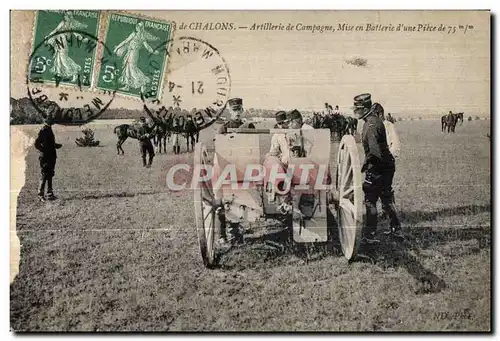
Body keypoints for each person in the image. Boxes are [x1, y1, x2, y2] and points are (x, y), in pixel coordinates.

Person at [352, 94, 403, 244]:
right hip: (387, 166)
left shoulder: (371, 125)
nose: (356, 111)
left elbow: (374, 153)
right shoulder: (375, 121)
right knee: (386, 197)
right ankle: (396, 229)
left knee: (370, 200)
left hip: (377, 168)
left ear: (365, 109)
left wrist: (368, 168)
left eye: (358, 108)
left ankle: (369, 235)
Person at [35, 114, 62, 201]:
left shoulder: (49, 129)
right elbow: (37, 144)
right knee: (44, 175)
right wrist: (44, 151)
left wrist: (55, 146)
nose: (53, 121)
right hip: (45, 157)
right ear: (47, 121)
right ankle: (40, 195)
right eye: (51, 120)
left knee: (50, 174)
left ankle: (50, 194)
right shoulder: (43, 130)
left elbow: (48, 143)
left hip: (51, 156)